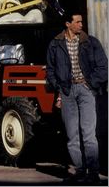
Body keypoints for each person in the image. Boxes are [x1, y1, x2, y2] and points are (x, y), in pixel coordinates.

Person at [46, 12, 108, 185]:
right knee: (72, 136)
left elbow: (103, 67)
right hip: (67, 92)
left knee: (88, 135)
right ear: (68, 24)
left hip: (86, 90)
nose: (81, 25)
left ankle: (93, 173)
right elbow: (50, 70)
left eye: (82, 21)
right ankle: (80, 171)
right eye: (78, 22)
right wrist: (59, 88)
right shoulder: (56, 44)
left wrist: (90, 84)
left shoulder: (90, 42)